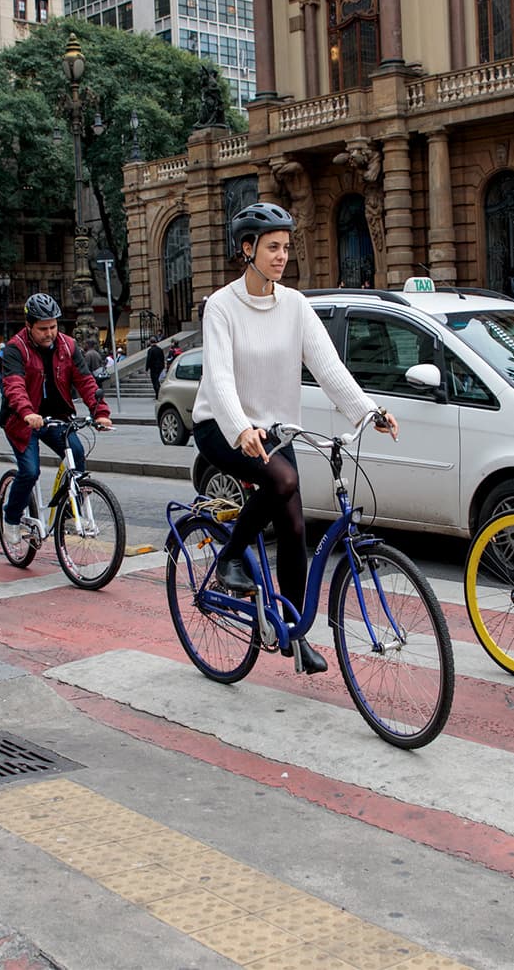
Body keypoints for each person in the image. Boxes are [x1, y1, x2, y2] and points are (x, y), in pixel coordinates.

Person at [191, 202, 398, 675]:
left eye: (286, 247)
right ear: (247, 250)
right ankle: (228, 560)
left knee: (296, 529)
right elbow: (219, 379)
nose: (282, 256)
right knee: (281, 483)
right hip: (222, 428)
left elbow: (328, 368)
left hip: (277, 434)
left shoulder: (296, 306)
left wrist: (370, 411)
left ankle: (294, 632)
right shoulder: (221, 307)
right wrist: (241, 427)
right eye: (272, 247)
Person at [0, 293, 113, 537]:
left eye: (53, 326)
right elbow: (14, 387)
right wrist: (28, 413)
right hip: (22, 421)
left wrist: (100, 413)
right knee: (29, 471)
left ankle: (70, 517)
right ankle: (11, 517)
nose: (49, 333)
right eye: (42, 328)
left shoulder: (68, 346)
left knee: (78, 453)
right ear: (28, 326)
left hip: (56, 418)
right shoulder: (15, 349)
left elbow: (85, 382)